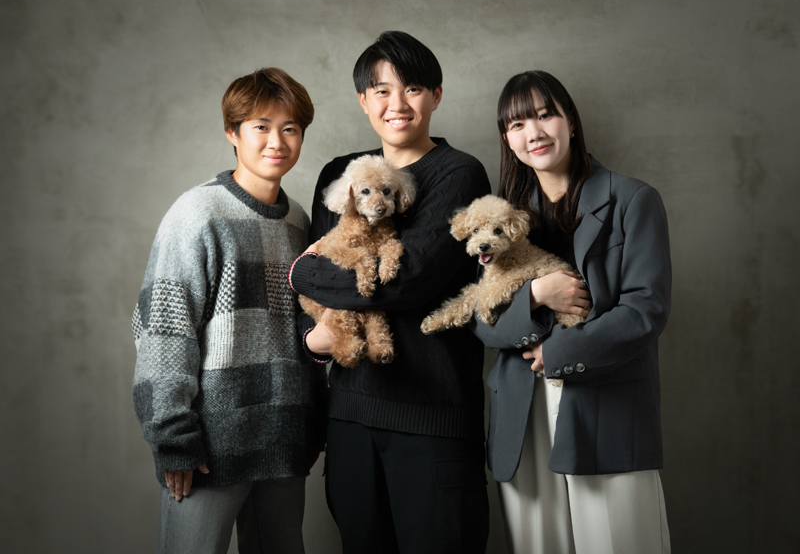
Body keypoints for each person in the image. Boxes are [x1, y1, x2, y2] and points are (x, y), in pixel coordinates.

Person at [288, 31, 491, 554]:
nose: (397, 104)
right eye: (381, 91)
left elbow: (408, 280)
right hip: (350, 416)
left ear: (437, 95)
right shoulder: (342, 175)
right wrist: (312, 331)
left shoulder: (459, 173)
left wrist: (301, 274)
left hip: (433, 418)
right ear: (363, 100)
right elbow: (322, 280)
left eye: (413, 88)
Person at [473, 70, 672, 554]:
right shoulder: (505, 217)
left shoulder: (632, 199)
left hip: (608, 406)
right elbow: (484, 321)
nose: (534, 132)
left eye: (546, 115)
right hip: (521, 413)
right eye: (518, 124)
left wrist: (558, 352)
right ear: (507, 138)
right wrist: (536, 294)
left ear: (572, 122)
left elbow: (646, 309)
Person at [131, 67, 327, 554]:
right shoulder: (197, 214)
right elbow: (162, 330)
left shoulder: (299, 221)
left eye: (290, 128)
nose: (277, 141)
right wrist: (174, 438)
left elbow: (306, 327)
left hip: (283, 441)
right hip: (209, 448)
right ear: (232, 133)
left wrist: (312, 424)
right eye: (261, 126)